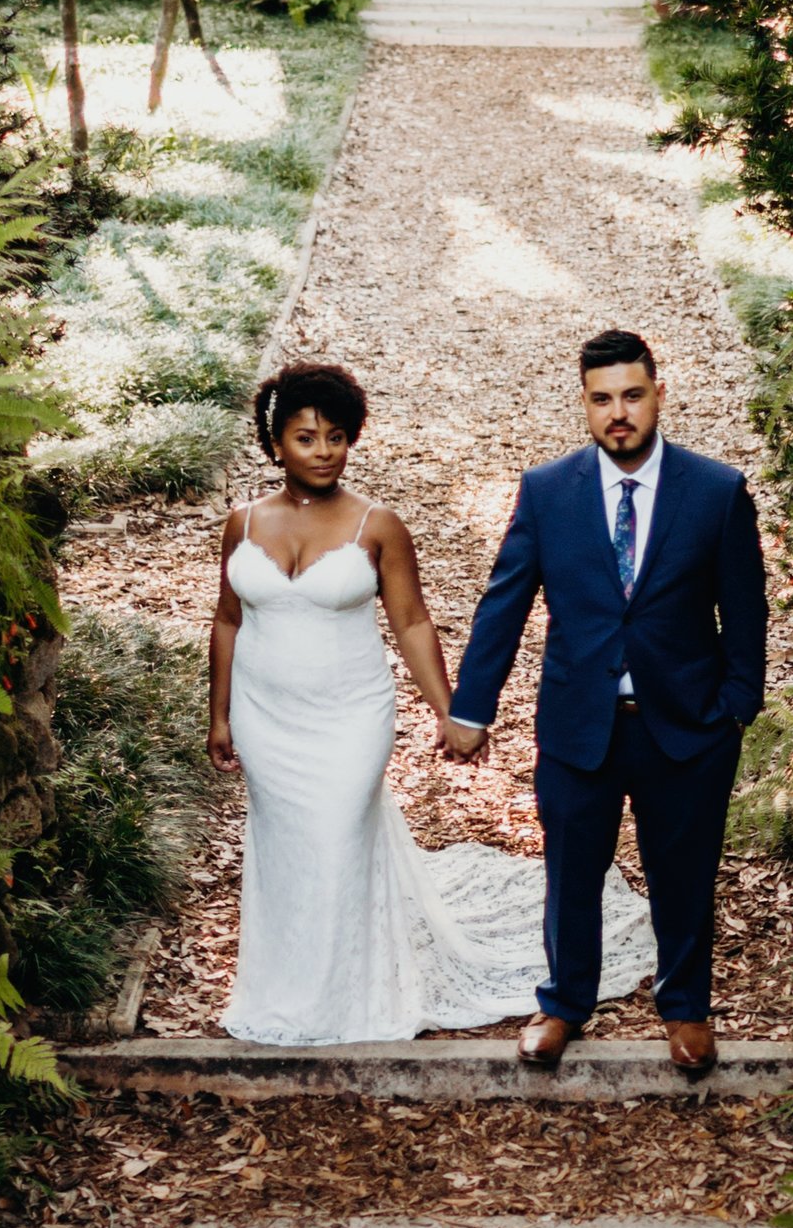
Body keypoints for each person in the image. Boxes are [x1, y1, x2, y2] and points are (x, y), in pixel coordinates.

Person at [208, 361, 650, 1045]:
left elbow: (412, 622)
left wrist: (453, 710)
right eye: (305, 438)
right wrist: (220, 713)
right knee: (287, 849)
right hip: (266, 716)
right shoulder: (242, 524)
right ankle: (283, 991)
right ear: (276, 446)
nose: (323, 452)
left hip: (350, 714)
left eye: (335, 436)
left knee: (334, 837)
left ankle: (347, 997)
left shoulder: (375, 525)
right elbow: (228, 619)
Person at [444, 329, 767, 1079]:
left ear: (657, 394)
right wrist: (471, 707)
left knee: (684, 874)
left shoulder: (716, 491)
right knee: (572, 872)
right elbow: (505, 602)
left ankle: (686, 1010)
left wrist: (738, 703)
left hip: (686, 727)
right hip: (578, 723)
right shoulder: (547, 491)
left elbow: (745, 608)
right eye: (601, 399)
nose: (617, 413)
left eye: (631, 395)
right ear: (584, 405)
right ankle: (562, 1004)